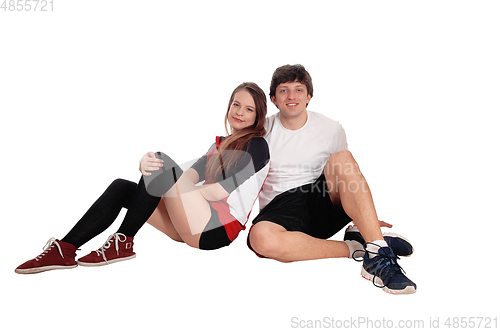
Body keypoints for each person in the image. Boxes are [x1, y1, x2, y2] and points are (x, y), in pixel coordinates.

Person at [15, 82, 270, 274]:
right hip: (193, 222)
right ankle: (65, 249)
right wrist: (153, 174)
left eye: (249, 109)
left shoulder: (257, 146)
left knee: (160, 163)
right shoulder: (220, 145)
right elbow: (187, 178)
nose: (239, 112)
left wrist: (164, 180)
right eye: (236, 104)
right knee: (122, 188)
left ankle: (122, 243)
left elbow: (218, 193)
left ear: (257, 116)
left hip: (216, 228)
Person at [247, 65, 417, 295]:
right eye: (284, 90)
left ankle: (377, 250)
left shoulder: (331, 128)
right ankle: (361, 246)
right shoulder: (260, 132)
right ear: (274, 99)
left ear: (309, 96)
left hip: (319, 199)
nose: (292, 96)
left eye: (299, 89)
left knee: (342, 157)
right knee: (260, 239)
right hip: (280, 209)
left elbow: (347, 177)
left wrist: (368, 217)